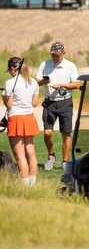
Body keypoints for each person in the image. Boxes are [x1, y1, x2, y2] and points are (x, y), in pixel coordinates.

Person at [36, 42, 80, 171]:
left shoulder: (70, 66)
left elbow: (77, 84)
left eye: (57, 55)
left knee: (66, 134)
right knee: (48, 133)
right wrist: (44, 81)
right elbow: (37, 81)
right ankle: (51, 155)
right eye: (53, 55)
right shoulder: (45, 64)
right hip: (49, 102)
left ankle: (65, 161)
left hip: (65, 102)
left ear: (63, 53)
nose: (55, 58)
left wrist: (61, 85)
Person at [3, 57, 40, 185]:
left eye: (10, 70)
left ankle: (24, 186)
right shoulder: (34, 82)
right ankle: (32, 184)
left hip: (16, 119)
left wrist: (3, 96)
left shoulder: (10, 83)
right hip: (29, 118)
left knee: (20, 155)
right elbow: (35, 103)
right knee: (31, 153)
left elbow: (9, 105)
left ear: (13, 68)